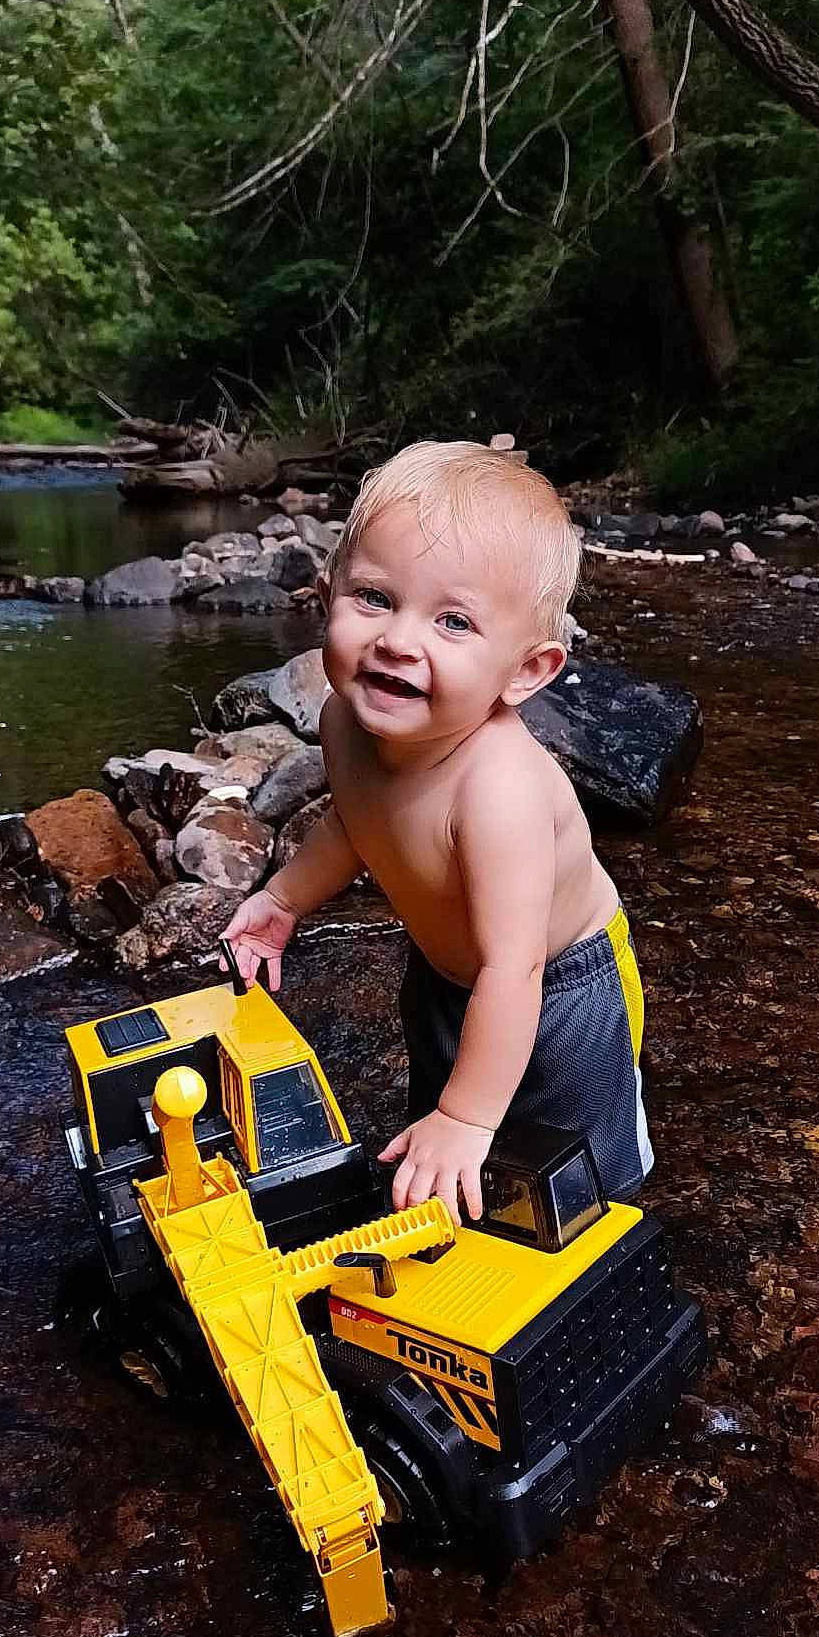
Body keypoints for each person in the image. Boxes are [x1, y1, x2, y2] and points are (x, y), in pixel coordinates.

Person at [222, 440, 653, 1222]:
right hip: (450, 970)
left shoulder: (500, 790)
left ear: (525, 671)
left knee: (576, 1161)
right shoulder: (344, 723)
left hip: (559, 984)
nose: (398, 640)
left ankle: (603, 1230)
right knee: (445, 1117)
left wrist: (467, 1118)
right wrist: (284, 900)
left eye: (452, 621)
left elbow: (514, 972)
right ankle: (456, 1184)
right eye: (375, 598)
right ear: (327, 596)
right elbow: (357, 825)